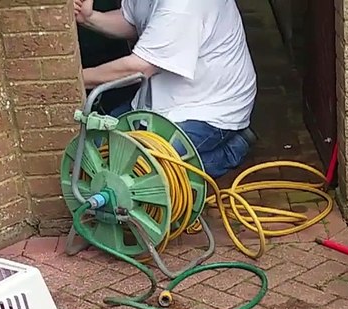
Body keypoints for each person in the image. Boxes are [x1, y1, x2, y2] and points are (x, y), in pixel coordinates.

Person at [73, 0, 258, 179]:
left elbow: (140, 68)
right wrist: (89, 18)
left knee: (142, 168)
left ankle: (233, 148)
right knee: (94, 147)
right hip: (162, 96)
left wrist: (74, 80)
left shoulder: (183, 5)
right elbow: (131, 20)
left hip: (209, 108)